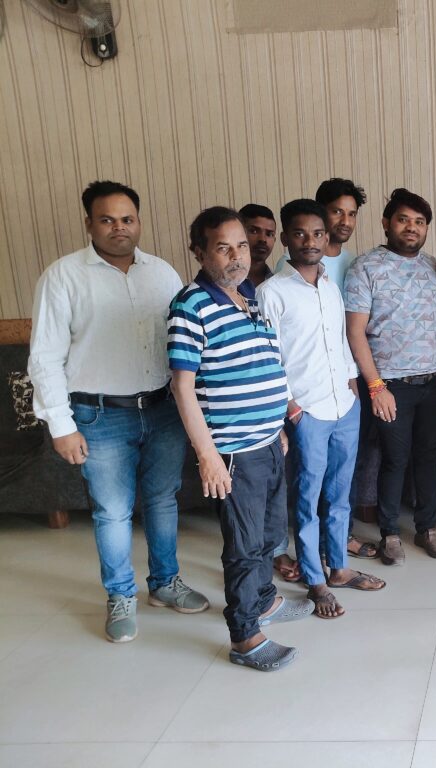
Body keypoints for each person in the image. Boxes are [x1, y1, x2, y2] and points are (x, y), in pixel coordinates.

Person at [28, 180, 208, 644]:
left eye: (127, 219)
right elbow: (44, 358)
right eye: (107, 219)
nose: (118, 228)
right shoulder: (63, 276)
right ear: (89, 224)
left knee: (163, 499)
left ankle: (165, 583)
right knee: (112, 512)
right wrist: (61, 426)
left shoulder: (162, 273)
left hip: (162, 408)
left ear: (138, 222)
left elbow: (185, 342)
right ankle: (121, 595)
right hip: (99, 415)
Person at [169, 206, 313, 671]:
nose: (236, 257)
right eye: (223, 247)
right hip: (232, 451)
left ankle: (264, 600)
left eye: (242, 247)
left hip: (267, 441)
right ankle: (245, 636)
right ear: (199, 252)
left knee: (270, 535)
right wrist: (208, 456)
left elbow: (266, 365)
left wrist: (276, 427)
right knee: (245, 545)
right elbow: (182, 387)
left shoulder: (247, 297)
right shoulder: (191, 305)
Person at [258, 199, 386, 620]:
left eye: (317, 233)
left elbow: (342, 339)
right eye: (300, 233)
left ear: (326, 236)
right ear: (285, 238)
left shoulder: (331, 286)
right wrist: (290, 407)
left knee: (340, 495)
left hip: (344, 405)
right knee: (307, 498)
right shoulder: (272, 292)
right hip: (307, 411)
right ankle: (315, 580)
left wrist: (352, 381)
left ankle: (340, 569)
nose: (310, 241)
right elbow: (269, 358)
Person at [345, 188, 436, 565]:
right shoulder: (365, 267)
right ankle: (390, 533)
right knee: (394, 459)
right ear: (386, 223)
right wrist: (375, 386)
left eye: (419, 222)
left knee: (428, 456)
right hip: (390, 385)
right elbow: (355, 332)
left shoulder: (433, 267)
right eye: (404, 220)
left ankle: (427, 527)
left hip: (433, 382)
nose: (412, 227)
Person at [239, 203, 277, 287]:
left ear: (274, 240)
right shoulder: (223, 281)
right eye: (254, 231)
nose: (263, 239)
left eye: (269, 234)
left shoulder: (278, 284)